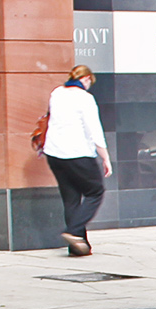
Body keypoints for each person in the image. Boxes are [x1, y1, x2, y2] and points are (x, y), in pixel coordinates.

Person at [43, 65, 111, 256]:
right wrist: (105, 158)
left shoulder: (56, 93)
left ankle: (78, 247)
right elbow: (94, 130)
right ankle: (74, 231)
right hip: (78, 152)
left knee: (71, 198)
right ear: (86, 78)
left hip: (54, 153)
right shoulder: (85, 98)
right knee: (95, 191)